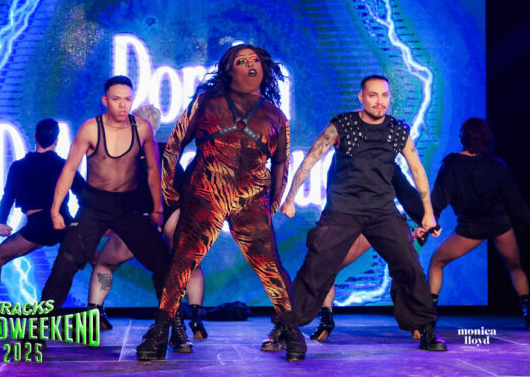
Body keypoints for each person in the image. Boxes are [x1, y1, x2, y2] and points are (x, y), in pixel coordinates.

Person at [136, 44, 306, 362]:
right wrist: (170, 192)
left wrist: (273, 202)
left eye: (255, 60)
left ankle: (291, 332)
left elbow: (282, 162)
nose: (250, 65)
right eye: (242, 61)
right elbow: (174, 146)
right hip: (205, 192)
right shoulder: (206, 102)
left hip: (251, 198)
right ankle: (160, 333)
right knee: (182, 261)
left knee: (269, 265)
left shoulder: (275, 116)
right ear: (229, 70)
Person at [281, 75, 446, 351]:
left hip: (382, 212)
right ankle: (285, 327)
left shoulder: (397, 130)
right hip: (343, 210)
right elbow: (310, 159)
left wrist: (427, 213)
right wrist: (290, 199)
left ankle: (426, 327)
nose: (380, 101)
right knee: (316, 266)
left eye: (384, 95)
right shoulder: (343, 125)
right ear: (361, 97)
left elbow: (416, 170)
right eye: (373, 95)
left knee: (409, 265)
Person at [40, 76, 171, 329]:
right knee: (65, 263)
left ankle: (172, 326)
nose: (122, 105)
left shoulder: (142, 128)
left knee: (163, 262)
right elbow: (69, 170)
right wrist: (55, 210)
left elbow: (153, 171)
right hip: (95, 206)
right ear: (105, 100)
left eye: (127, 99)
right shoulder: (90, 129)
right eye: (116, 99)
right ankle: (37, 329)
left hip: (129, 206)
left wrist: (157, 208)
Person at [261, 162, 429, 351]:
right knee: (325, 265)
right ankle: (312, 322)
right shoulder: (344, 160)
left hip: (376, 222)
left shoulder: (384, 161)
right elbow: (334, 195)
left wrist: (427, 218)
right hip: (349, 221)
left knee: (405, 267)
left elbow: (406, 192)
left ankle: (421, 323)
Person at [87, 104, 206, 353]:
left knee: (105, 264)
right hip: (172, 216)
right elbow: (185, 190)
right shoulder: (170, 153)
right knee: (188, 266)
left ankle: (94, 315)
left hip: (139, 218)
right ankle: (194, 321)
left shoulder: (125, 154)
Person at [428, 117, 530, 331]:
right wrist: (524, 224)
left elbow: (438, 199)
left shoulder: (451, 164)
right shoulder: (496, 164)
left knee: (437, 262)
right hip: (499, 224)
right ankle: (528, 313)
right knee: (515, 267)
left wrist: (431, 223)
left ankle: (429, 316)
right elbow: (513, 199)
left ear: (462, 138)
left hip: (471, 229)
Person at [0, 119, 85, 315]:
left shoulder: (19, 166)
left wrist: (2, 222)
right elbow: (84, 193)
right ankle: (98, 308)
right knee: (99, 261)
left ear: (35, 137)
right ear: (56, 140)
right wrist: (83, 222)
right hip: (63, 223)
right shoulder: (64, 165)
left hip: (38, 227)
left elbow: (8, 196)